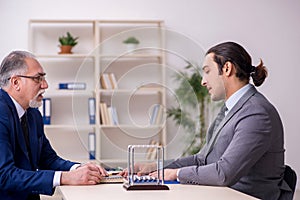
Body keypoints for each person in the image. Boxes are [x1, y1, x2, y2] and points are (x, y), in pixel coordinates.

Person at [122, 41, 291, 200]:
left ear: (227, 68)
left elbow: (224, 173)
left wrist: (176, 174)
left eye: (207, 71)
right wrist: (155, 167)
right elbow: (202, 160)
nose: (203, 81)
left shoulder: (256, 113)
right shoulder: (230, 109)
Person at [0, 50, 108, 200]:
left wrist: (78, 168)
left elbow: (48, 159)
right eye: (38, 79)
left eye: (43, 78)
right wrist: (65, 178)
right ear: (16, 82)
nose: (45, 85)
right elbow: (4, 176)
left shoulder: (33, 114)